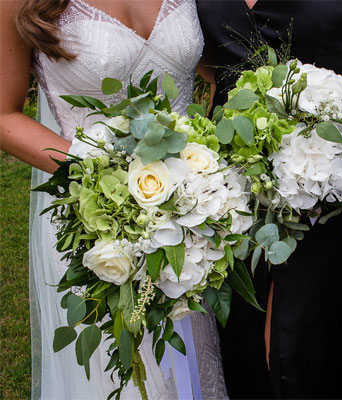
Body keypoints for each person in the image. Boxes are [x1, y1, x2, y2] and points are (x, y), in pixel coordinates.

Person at [0, 0, 228, 398]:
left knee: (194, 355)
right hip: (99, 220)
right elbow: (4, 115)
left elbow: (216, 68)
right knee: (124, 370)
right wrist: (101, 176)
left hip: (190, 209)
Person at [195, 0, 342, 398]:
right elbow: (206, 59)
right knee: (239, 334)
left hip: (322, 178)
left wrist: (337, 130)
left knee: (310, 344)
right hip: (228, 180)